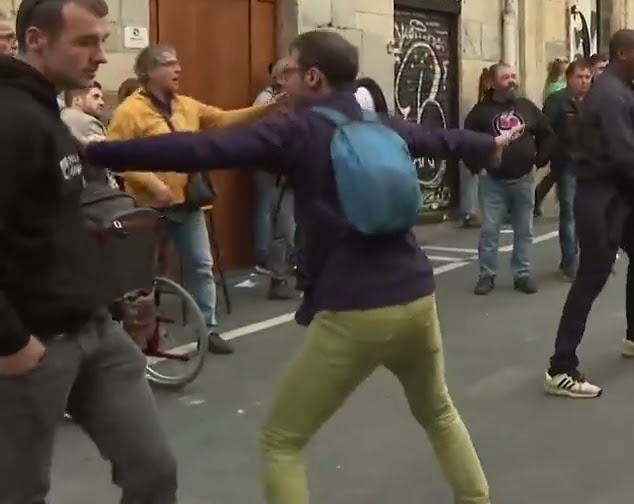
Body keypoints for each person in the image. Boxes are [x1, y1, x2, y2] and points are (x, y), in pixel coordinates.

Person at [84, 30, 510, 504]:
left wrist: (101, 152)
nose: (283, 82)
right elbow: (440, 140)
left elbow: (197, 150)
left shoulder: (300, 131)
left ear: (313, 77)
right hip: (415, 295)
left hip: (355, 309)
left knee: (282, 441)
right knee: (439, 412)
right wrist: (485, 145)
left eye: (289, 71)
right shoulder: (379, 124)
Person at [0, 0, 177, 503]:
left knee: (153, 471)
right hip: (30, 347)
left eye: (102, 39)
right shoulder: (11, 120)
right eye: (86, 42)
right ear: (36, 39)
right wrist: (11, 343)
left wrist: (118, 302)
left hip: (96, 332)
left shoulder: (46, 111)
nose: (101, 56)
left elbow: (58, 223)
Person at [107, 43, 279, 354]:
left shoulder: (186, 105)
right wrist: (151, 182)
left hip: (187, 203)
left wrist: (266, 109)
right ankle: (146, 336)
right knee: (147, 274)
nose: (178, 69)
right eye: (170, 64)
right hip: (149, 206)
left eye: (178, 63)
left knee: (201, 265)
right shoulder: (129, 111)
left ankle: (208, 329)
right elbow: (115, 156)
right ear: (148, 71)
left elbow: (223, 119)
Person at [545, 30, 634, 399]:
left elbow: (627, 147)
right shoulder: (611, 95)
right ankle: (560, 367)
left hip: (621, 194)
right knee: (593, 274)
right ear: (622, 53)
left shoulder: (618, 90)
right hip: (602, 195)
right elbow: (621, 155)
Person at [463, 63, 554, 296]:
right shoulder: (480, 112)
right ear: (492, 82)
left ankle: (522, 274)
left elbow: (548, 135)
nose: (512, 81)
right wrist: (477, 167)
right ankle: (487, 275)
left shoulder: (526, 107)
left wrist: (537, 162)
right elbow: (467, 143)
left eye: (514, 76)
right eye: (506, 77)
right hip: (492, 181)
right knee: (490, 229)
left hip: (523, 179)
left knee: (524, 229)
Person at [544, 58, 593, 279]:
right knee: (570, 214)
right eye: (579, 77)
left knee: (591, 213)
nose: (583, 82)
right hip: (568, 164)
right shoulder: (558, 101)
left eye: (587, 77)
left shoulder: (595, 101)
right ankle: (569, 263)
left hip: (592, 165)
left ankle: (591, 260)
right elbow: (546, 131)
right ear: (569, 78)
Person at [255, 58, 299, 300]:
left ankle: (286, 275)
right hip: (275, 173)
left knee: (289, 228)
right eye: (292, 72)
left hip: (292, 172)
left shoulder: (296, 101)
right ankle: (277, 279)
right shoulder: (268, 102)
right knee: (283, 229)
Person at [458, 67, 495, 229]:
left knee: (477, 181)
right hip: (479, 148)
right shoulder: (481, 108)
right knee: (475, 179)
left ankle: (471, 212)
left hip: (480, 147)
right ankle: (469, 212)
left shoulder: (481, 107)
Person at [532, 58, 569, 216]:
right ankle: (539, 198)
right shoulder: (558, 87)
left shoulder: (551, 84)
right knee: (559, 173)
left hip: (556, 136)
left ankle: (539, 198)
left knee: (556, 173)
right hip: (559, 136)